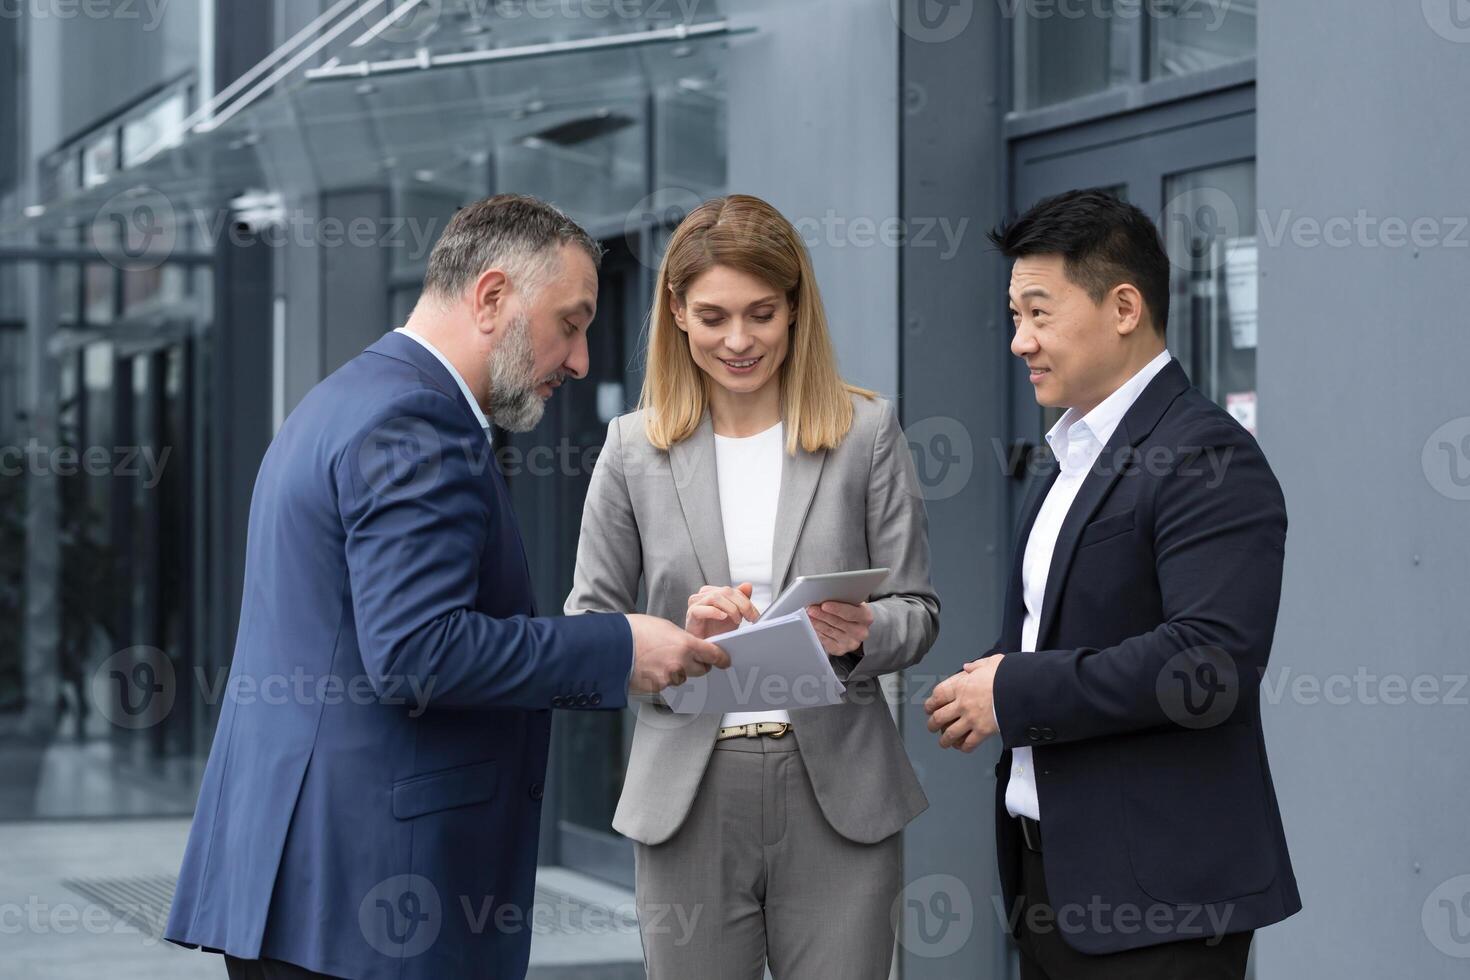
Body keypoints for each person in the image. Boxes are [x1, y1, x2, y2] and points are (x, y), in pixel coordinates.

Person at [164, 194, 728, 980]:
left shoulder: (340, 401)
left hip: (302, 887)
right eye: (571, 322)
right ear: (493, 296)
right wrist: (619, 645)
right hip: (374, 894)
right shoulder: (416, 422)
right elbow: (419, 653)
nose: (581, 361)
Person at [924, 189, 1300, 979]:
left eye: (1039, 313)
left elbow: (1208, 667)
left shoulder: (1206, 455)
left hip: (1160, 901)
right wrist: (985, 681)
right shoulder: (1069, 452)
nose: (1020, 341)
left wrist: (1016, 690)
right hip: (1052, 881)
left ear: (1124, 306)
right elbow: (1065, 628)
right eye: (1013, 316)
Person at [565, 193, 940, 978]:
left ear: (796, 308)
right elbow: (590, 625)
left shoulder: (865, 433)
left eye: (762, 314)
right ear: (675, 310)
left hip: (837, 789)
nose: (739, 341)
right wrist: (676, 630)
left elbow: (918, 611)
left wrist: (864, 632)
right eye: (712, 317)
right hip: (689, 794)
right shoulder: (632, 450)